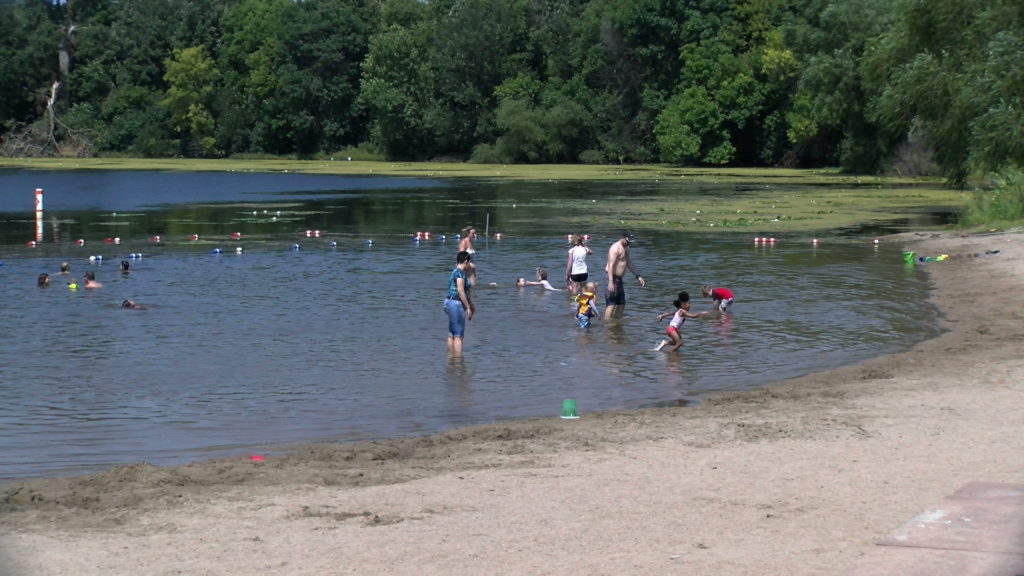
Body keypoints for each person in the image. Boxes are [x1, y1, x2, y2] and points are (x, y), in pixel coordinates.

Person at [604, 230, 645, 319]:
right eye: (627, 241)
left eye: (630, 242)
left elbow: (629, 262)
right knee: (611, 304)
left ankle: (617, 324)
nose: (629, 243)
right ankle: (607, 325)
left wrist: (638, 276)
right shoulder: (615, 248)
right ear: (623, 238)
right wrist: (611, 282)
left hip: (619, 279)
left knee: (621, 304)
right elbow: (611, 265)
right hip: (611, 278)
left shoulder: (626, 248)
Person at [444, 251, 475, 356]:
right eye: (469, 262)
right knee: (458, 336)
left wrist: (471, 306)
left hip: (449, 302)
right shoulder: (460, 273)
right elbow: (461, 291)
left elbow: (465, 293)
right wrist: (468, 307)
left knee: (451, 334)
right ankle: (458, 363)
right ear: (466, 261)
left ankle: (451, 359)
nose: (469, 265)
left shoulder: (454, 271)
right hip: (456, 304)